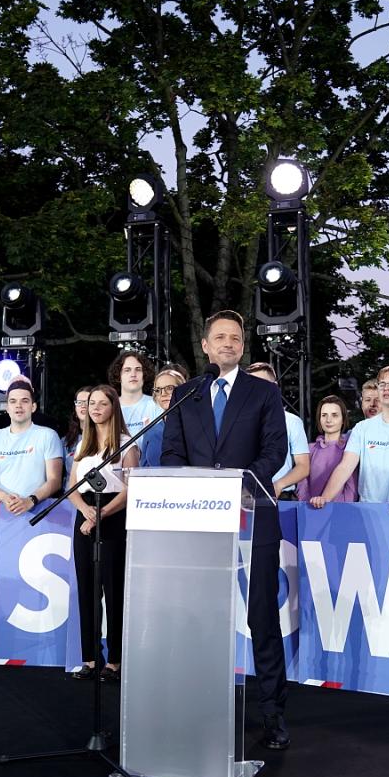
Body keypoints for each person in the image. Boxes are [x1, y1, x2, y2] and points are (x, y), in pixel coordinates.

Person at [162, 310, 291, 749]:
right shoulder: (188, 393)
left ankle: (272, 713)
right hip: (202, 518)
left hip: (254, 514)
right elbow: (172, 453)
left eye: (235, 338)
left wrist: (240, 484)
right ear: (205, 345)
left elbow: (275, 450)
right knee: (201, 616)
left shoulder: (264, 392)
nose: (228, 344)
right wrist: (200, 490)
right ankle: (201, 707)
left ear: (243, 345)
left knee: (261, 617)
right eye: (220, 337)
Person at [70, 384, 139, 684]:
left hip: (113, 515)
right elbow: (72, 486)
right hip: (85, 513)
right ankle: (90, 658)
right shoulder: (83, 445)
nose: (95, 408)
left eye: (102, 403)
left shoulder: (126, 444)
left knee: (113, 590)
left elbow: (130, 489)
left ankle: (115, 660)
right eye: (91, 403)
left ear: (113, 408)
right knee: (87, 589)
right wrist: (86, 511)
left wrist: (101, 514)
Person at [311, 365, 389, 509]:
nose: (386, 388)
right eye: (382, 384)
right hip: (366, 509)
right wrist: (325, 498)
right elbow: (345, 467)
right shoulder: (362, 428)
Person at [0, 381, 63, 510]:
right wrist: (5, 498)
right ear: (7, 407)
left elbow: (54, 480)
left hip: (36, 509)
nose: (18, 406)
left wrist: (30, 500)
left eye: (24, 401)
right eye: (13, 401)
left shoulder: (48, 435)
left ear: (33, 407)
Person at [247, 362, 309, 499]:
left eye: (262, 384)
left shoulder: (292, 421)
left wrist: (279, 485)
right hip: (245, 495)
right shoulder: (239, 421)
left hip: (280, 496)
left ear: (274, 387)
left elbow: (303, 466)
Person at [299, 395, 357, 502]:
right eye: (324, 415)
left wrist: (343, 508)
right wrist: (309, 505)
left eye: (334, 415)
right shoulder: (309, 449)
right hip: (311, 508)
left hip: (342, 510)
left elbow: (352, 489)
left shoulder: (351, 449)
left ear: (343, 419)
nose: (328, 420)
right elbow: (302, 485)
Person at [110, 350, 162, 455]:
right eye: (127, 370)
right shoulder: (110, 407)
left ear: (144, 374)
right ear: (118, 376)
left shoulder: (156, 405)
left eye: (138, 369)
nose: (133, 374)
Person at [139, 366, 187, 469]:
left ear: (183, 390)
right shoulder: (150, 432)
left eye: (169, 388)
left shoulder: (194, 427)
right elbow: (144, 468)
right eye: (158, 390)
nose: (163, 394)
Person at [64, 386, 92, 477]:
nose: (83, 406)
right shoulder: (66, 442)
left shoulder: (104, 439)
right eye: (79, 402)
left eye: (88, 402)